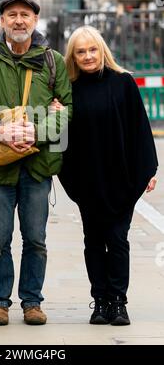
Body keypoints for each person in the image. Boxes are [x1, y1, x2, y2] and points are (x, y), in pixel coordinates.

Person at [0, 0, 72, 326]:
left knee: (35, 238)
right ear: (2, 22)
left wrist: (36, 131)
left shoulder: (53, 62)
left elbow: (67, 110)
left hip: (38, 168)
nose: (18, 20)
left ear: (35, 21)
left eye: (25, 15)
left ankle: (32, 302)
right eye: (11, 15)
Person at [58, 25, 158, 326]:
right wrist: (57, 112)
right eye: (81, 51)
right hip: (87, 179)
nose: (88, 56)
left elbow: (139, 129)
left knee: (117, 239)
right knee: (93, 240)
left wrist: (148, 170)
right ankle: (99, 300)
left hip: (122, 177)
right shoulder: (69, 90)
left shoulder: (123, 82)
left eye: (92, 50)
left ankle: (118, 301)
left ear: (102, 51)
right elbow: (62, 138)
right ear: (73, 57)